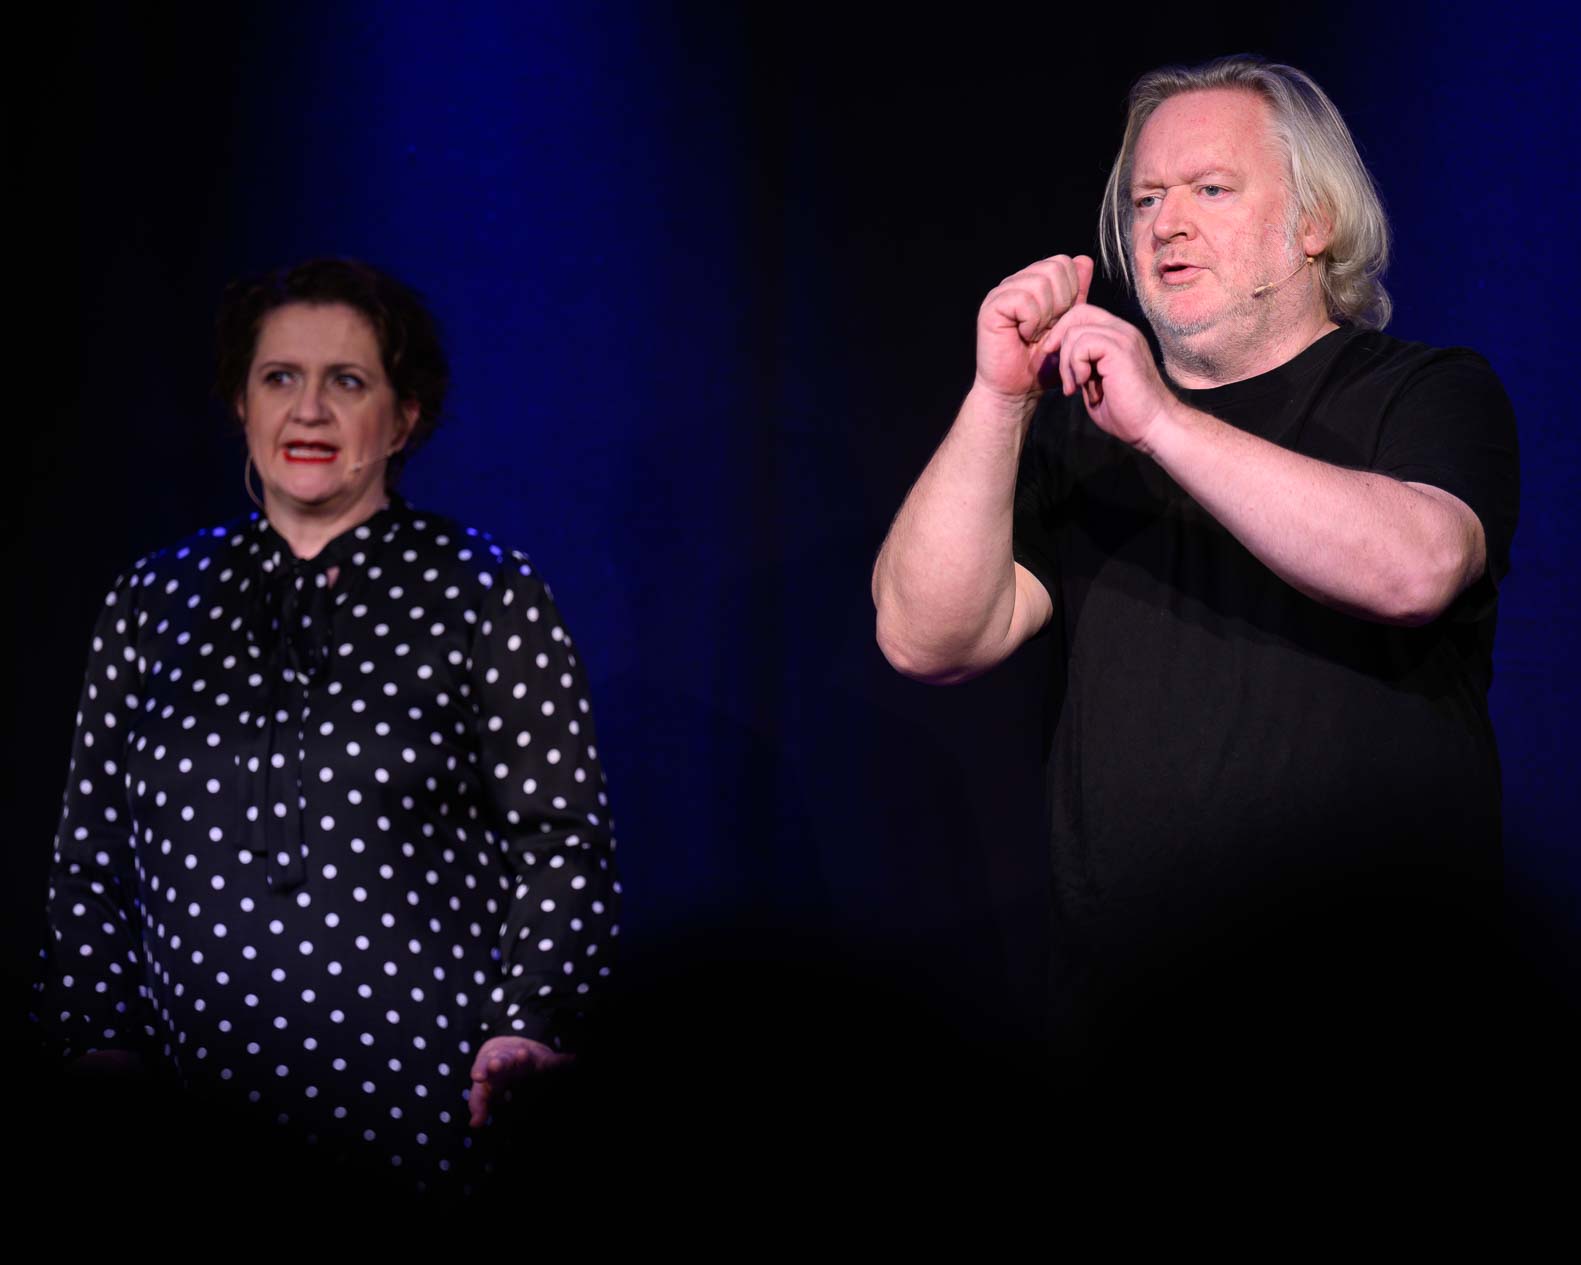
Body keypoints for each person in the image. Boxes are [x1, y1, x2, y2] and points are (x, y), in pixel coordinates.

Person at [871, 57, 1518, 1066]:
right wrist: (1000, 400)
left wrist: (1164, 425)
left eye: (1212, 189)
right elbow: (926, 635)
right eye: (1146, 198)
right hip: (1133, 1017)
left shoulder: (1424, 392)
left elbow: (1417, 566)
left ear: (1315, 224)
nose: (1168, 222)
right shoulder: (1078, 436)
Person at [32, 258, 619, 1199]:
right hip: (187, 1126)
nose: (308, 410)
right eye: (280, 378)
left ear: (406, 417)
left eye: (347, 381)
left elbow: (563, 842)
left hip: (425, 1125)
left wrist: (532, 1020)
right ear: (240, 403)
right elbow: (90, 855)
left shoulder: (484, 591)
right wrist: (98, 1039)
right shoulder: (153, 600)